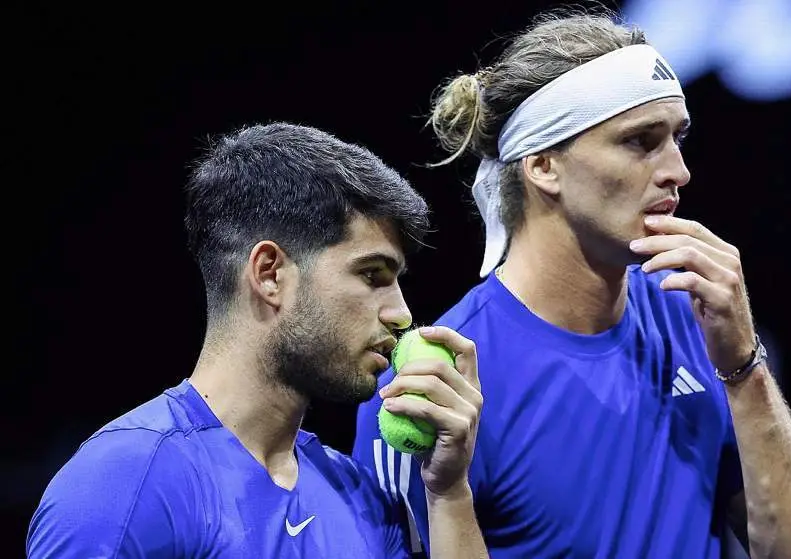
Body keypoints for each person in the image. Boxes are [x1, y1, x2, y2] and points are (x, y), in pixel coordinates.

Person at [353, 6, 791, 559]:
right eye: (641, 142)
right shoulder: (435, 387)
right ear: (543, 165)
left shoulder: (694, 318)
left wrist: (744, 368)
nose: (677, 171)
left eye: (676, 139)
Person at [27, 122, 488, 558]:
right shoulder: (126, 482)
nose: (401, 313)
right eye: (372, 275)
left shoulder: (356, 495)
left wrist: (447, 492)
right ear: (270, 274)